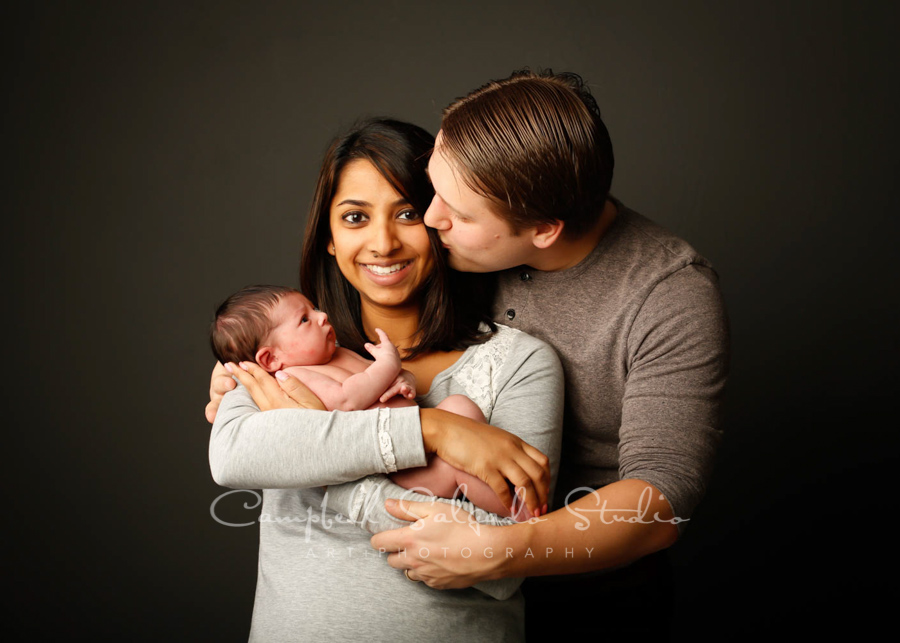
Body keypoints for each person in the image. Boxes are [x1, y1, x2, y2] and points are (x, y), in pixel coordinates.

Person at [357, 69, 729, 637]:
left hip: (588, 595)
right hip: (437, 602)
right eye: (433, 191)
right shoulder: (457, 229)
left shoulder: (670, 294)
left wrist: (503, 550)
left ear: (544, 230)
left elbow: (661, 498)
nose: (432, 219)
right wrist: (253, 368)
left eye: (459, 213)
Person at [208, 118, 564, 641]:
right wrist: (431, 431)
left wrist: (324, 467)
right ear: (328, 238)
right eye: (355, 217)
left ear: (443, 220)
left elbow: (507, 563)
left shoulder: (519, 364)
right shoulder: (279, 354)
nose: (383, 242)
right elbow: (233, 457)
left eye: (408, 213)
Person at [210, 284, 533, 519]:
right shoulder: (294, 378)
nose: (322, 316)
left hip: (428, 438)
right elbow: (347, 400)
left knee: (460, 406)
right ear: (270, 359)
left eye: (314, 309)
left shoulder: (338, 352)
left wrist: (403, 381)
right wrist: (388, 365)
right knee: (456, 470)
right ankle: (517, 512)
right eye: (304, 320)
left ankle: (495, 471)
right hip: (405, 469)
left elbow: (381, 379)